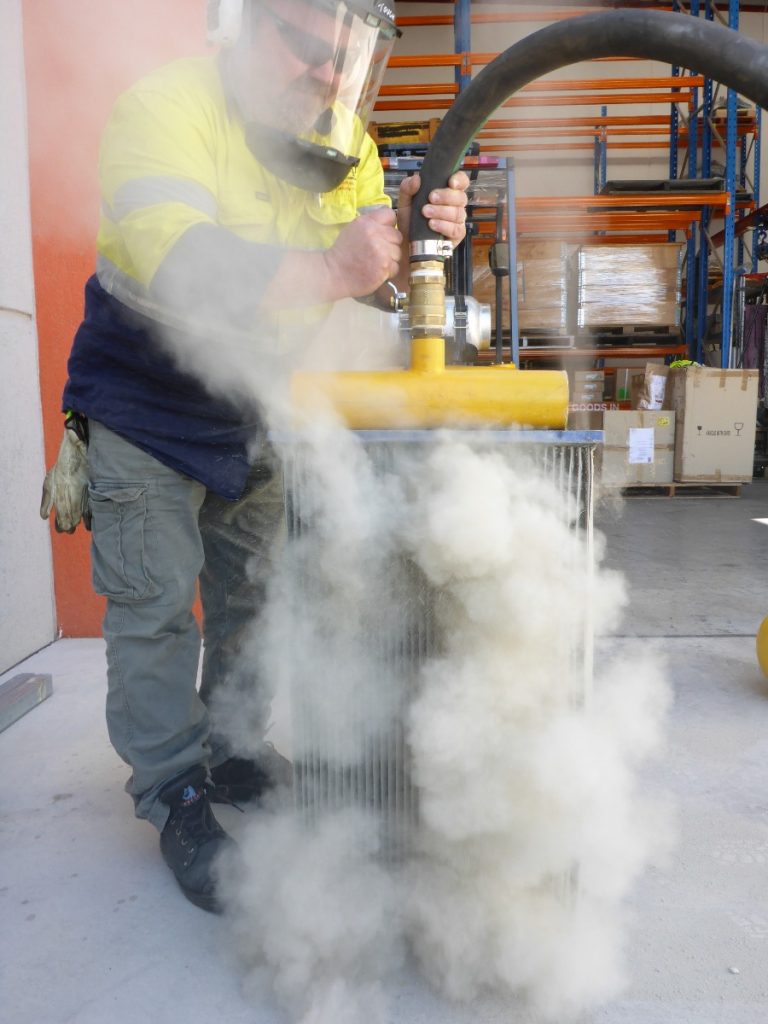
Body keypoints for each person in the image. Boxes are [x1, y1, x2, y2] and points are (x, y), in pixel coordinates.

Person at [40, 0, 469, 913]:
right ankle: (174, 790)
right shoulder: (163, 108)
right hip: (145, 400)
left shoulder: (340, 135)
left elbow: (375, 284)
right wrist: (333, 270)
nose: (324, 80)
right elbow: (187, 266)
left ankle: (233, 750)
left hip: (257, 401)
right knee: (156, 609)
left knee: (254, 595)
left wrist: (412, 237)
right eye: (305, 51)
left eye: (343, 63)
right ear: (238, 29)